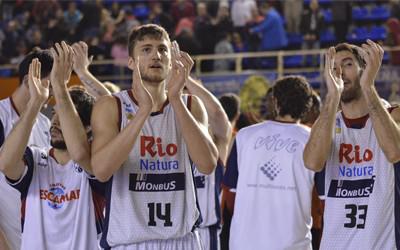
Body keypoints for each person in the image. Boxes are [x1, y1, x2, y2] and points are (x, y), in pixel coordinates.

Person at [90, 24, 218, 249]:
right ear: (131, 62)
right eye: (146, 49)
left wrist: (176, 99)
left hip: (182, 240)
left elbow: (207, 164)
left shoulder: (190, 104)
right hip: (131, 241)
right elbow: (101, 171)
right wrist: (142, 113)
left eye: (162, 49)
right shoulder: (111, 107)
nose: (156, 55)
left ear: (172, 60)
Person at [0, 42, 105, 249]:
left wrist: (77, 76)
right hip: (9, 233)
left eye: (63, 116)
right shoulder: (35, 157)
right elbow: (6, 165)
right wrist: (35, 103)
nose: (56, 122)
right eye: (55, 113)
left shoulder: (95, 164)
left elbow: (111, 110)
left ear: (89, 129)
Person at [303, 40, 400, 249]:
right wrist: (332, 96)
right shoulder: (329, 121)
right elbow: (312, 163)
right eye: (334, 67)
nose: (339, 73)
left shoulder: (393, 114)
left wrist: (368, 87)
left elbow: (395, 153)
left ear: (364, 69)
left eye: (347, 64)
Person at [223, 75, 315, 250]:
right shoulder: (313, 140)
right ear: (307, 105)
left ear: (275, 101)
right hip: (293, 244)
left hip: (244, 243)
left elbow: (230, 192)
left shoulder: (244, 136)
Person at [0, 48, 53, 250]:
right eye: (49, 85)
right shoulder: (1, 116)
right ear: (27, 80)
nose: (51, 95)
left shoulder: (45, 124)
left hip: (36, 237)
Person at [185, 77, 231, 250]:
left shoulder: (214, 143)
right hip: (172, 233)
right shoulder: (167, 142)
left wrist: (187, 79)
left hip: (204, 232)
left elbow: (218, 115)